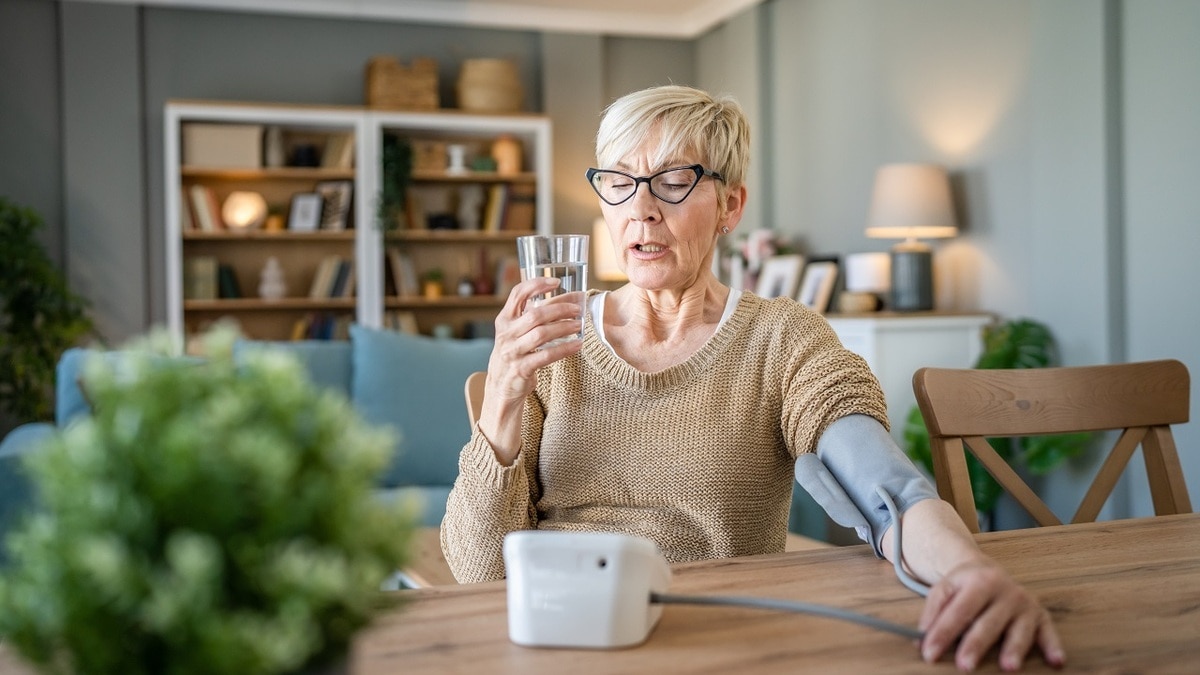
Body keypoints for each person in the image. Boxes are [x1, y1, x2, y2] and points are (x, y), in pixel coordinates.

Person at [441, 84, 1064, 671]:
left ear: (730, 205)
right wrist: (501, 394)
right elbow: (475, 572)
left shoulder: (781, 339)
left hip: (717, 641)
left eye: (674, 181)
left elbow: (886, 487)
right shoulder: (556, 341)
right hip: (563, 637)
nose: (642, 210)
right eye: (620, 183)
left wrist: (969, 572)